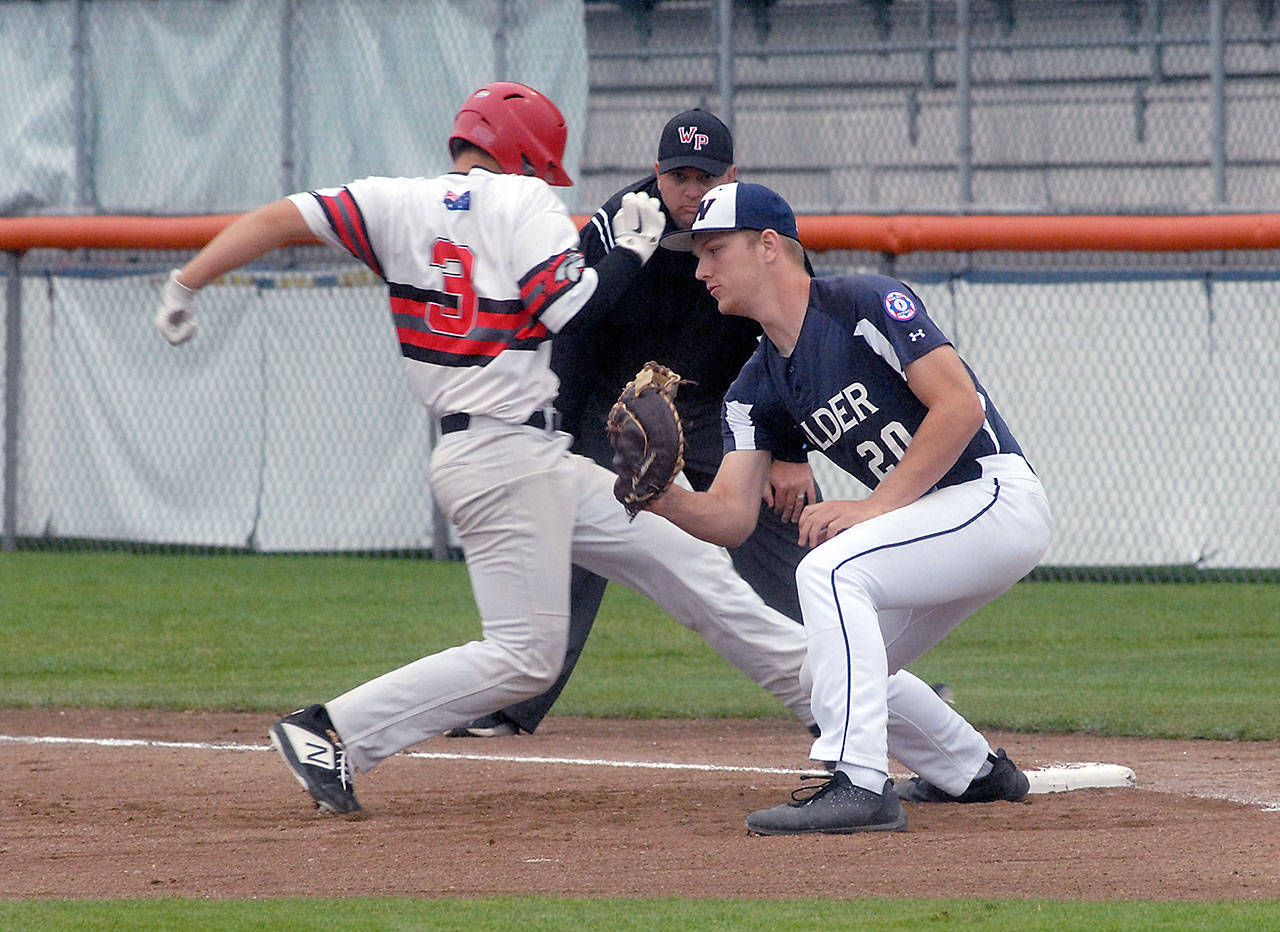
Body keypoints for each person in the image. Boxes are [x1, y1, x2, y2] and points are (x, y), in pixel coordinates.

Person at [152, 82, 819, 815]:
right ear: (525, 156)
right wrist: (627, 253)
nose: (543, 182)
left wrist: (188, 280)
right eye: (540, 168)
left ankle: (862, 710)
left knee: (696, 567)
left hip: (518, 456)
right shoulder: (521, 202)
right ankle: (331, 731)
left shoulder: (392, 201)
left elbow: (281, 218)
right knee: (525, 657)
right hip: (508, 457)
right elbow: (570, 308)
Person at [647, 182, 1054, 835]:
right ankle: (974, 771)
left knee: (830, 572)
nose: (701, 270)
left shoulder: (860, 302)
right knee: (824, 669)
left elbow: (960, 407)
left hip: (992, 496)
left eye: (715, 249)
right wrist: (660, 496)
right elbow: (729, 515)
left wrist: (875, 507)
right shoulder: (758, 383)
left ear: (770, 246)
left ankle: (858, 782)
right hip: (934, 521)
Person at [448, 107, 820, 739]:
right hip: (615, 406)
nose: (692, 190)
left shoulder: (758, 232)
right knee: (576, 542)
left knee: (783, 535)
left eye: (706, 176)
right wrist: (560, 426)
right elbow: (572, 324)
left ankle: (862, 680)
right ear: (656, 172)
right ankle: (512, 703)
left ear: (731, 175)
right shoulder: (620, 222)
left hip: (715, 407)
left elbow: (788, 338)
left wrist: (788, 448)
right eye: (679, 175)